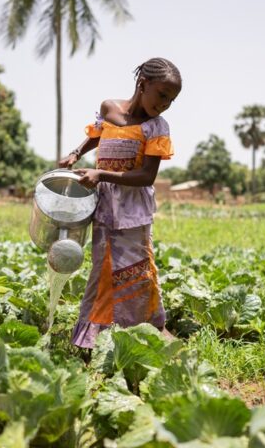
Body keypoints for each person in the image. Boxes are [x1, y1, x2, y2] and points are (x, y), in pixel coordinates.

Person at [57, 57, 182, 349]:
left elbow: (147, 176)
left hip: (133, 211)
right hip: (105, 209)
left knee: (138, 270)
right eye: (162, 95)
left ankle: (146, 330)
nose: (164, 104)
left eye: (171, 100)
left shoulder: (157, 127)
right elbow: (98, 135)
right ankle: (93, 337)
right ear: (143, 84)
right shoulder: (109, 108)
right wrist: (76, 153)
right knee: (102, 269)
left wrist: (100, 173)